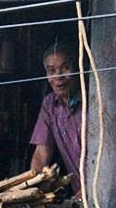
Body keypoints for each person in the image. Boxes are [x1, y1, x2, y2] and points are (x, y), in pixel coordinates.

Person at [27, 40, 83, 179]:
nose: (58, 76)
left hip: (101, 189)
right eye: (51, 70)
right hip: (78, 192)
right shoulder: (50, 104)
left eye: (65, 68)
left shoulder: (92, 99)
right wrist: (32, 187)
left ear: (78, 67)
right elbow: (41, 154)